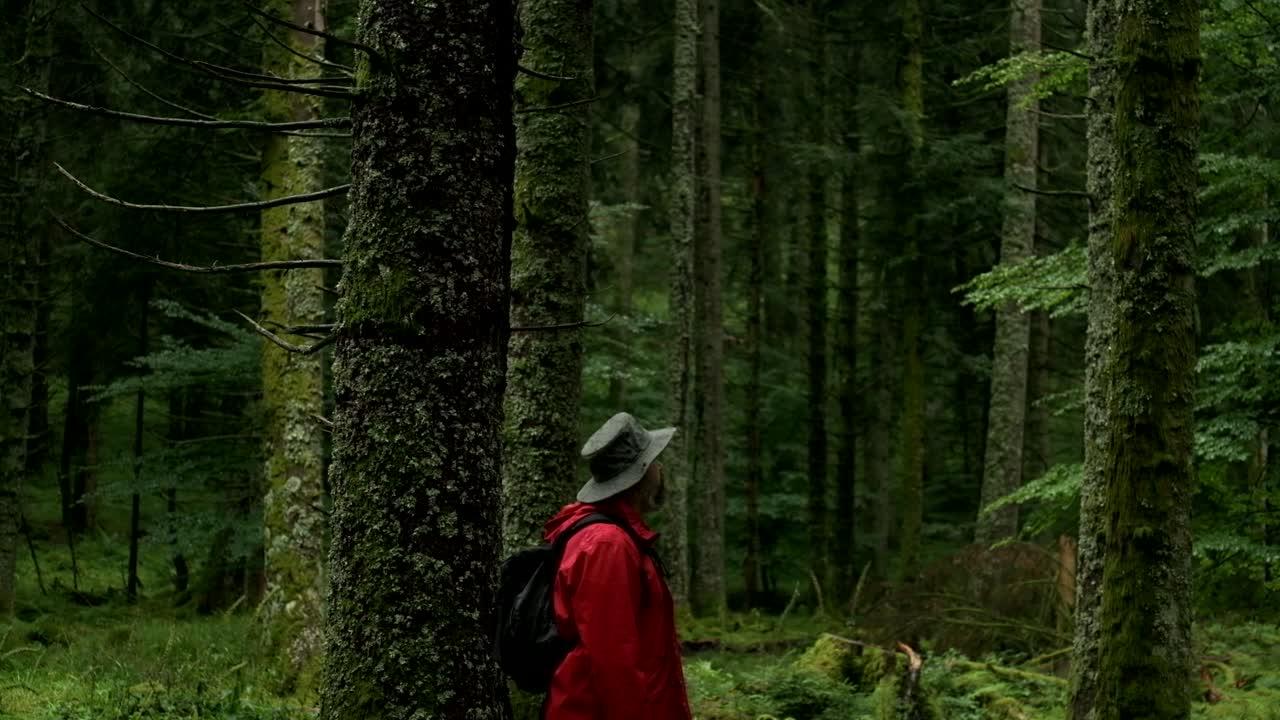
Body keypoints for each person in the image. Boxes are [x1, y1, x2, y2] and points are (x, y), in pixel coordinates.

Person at [541, 412, 692, 720]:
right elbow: (613, 660)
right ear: (641, 474)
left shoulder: (615, 537)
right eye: (654, 461)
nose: (660, 469)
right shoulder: (607, 545)